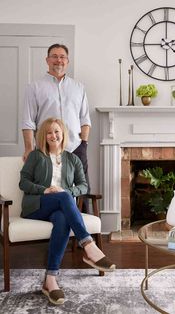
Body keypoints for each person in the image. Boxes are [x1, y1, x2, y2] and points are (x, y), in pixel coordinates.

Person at [19, 118, 116, 306]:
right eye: (49, 132)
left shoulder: (73, 159)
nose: (53, 136)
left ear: (63, 134)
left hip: (59, 208)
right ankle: (88, 245)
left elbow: (83, 186)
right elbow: (23, 183)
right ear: (43, 136)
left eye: (57, 131)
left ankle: (50, 279)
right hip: (37, 205)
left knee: (63, 216)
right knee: (64, 197)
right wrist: (44, 190)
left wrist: (67, 191)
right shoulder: (36, 156)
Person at [22, 43, 91, 196]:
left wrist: (84, 145)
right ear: (47, 60)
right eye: (54, 56)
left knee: (82, 192)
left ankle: (84, 219)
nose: (58, 60)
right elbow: (28, 121)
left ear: (67, 61)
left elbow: (85, 119)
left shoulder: (79, 87)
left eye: (62, 57)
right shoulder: (34, 87)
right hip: (46, 150)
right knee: (48, 190)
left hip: (75, 148)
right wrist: (28, 148)